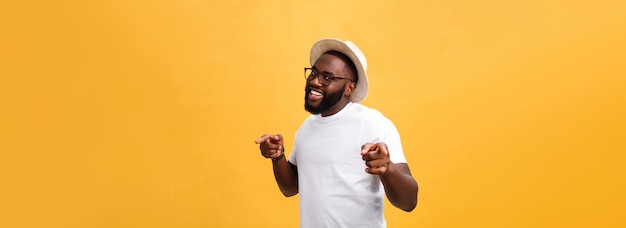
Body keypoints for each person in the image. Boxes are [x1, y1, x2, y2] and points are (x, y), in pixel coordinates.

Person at [255, 38, 418, 228]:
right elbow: (290, 188)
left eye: (328, 77)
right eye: (314, 72)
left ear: (350, 88)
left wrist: (387, 169)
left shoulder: (372, 123)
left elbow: (409, 202)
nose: (315, 81)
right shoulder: (306, 128)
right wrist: (278, 156)